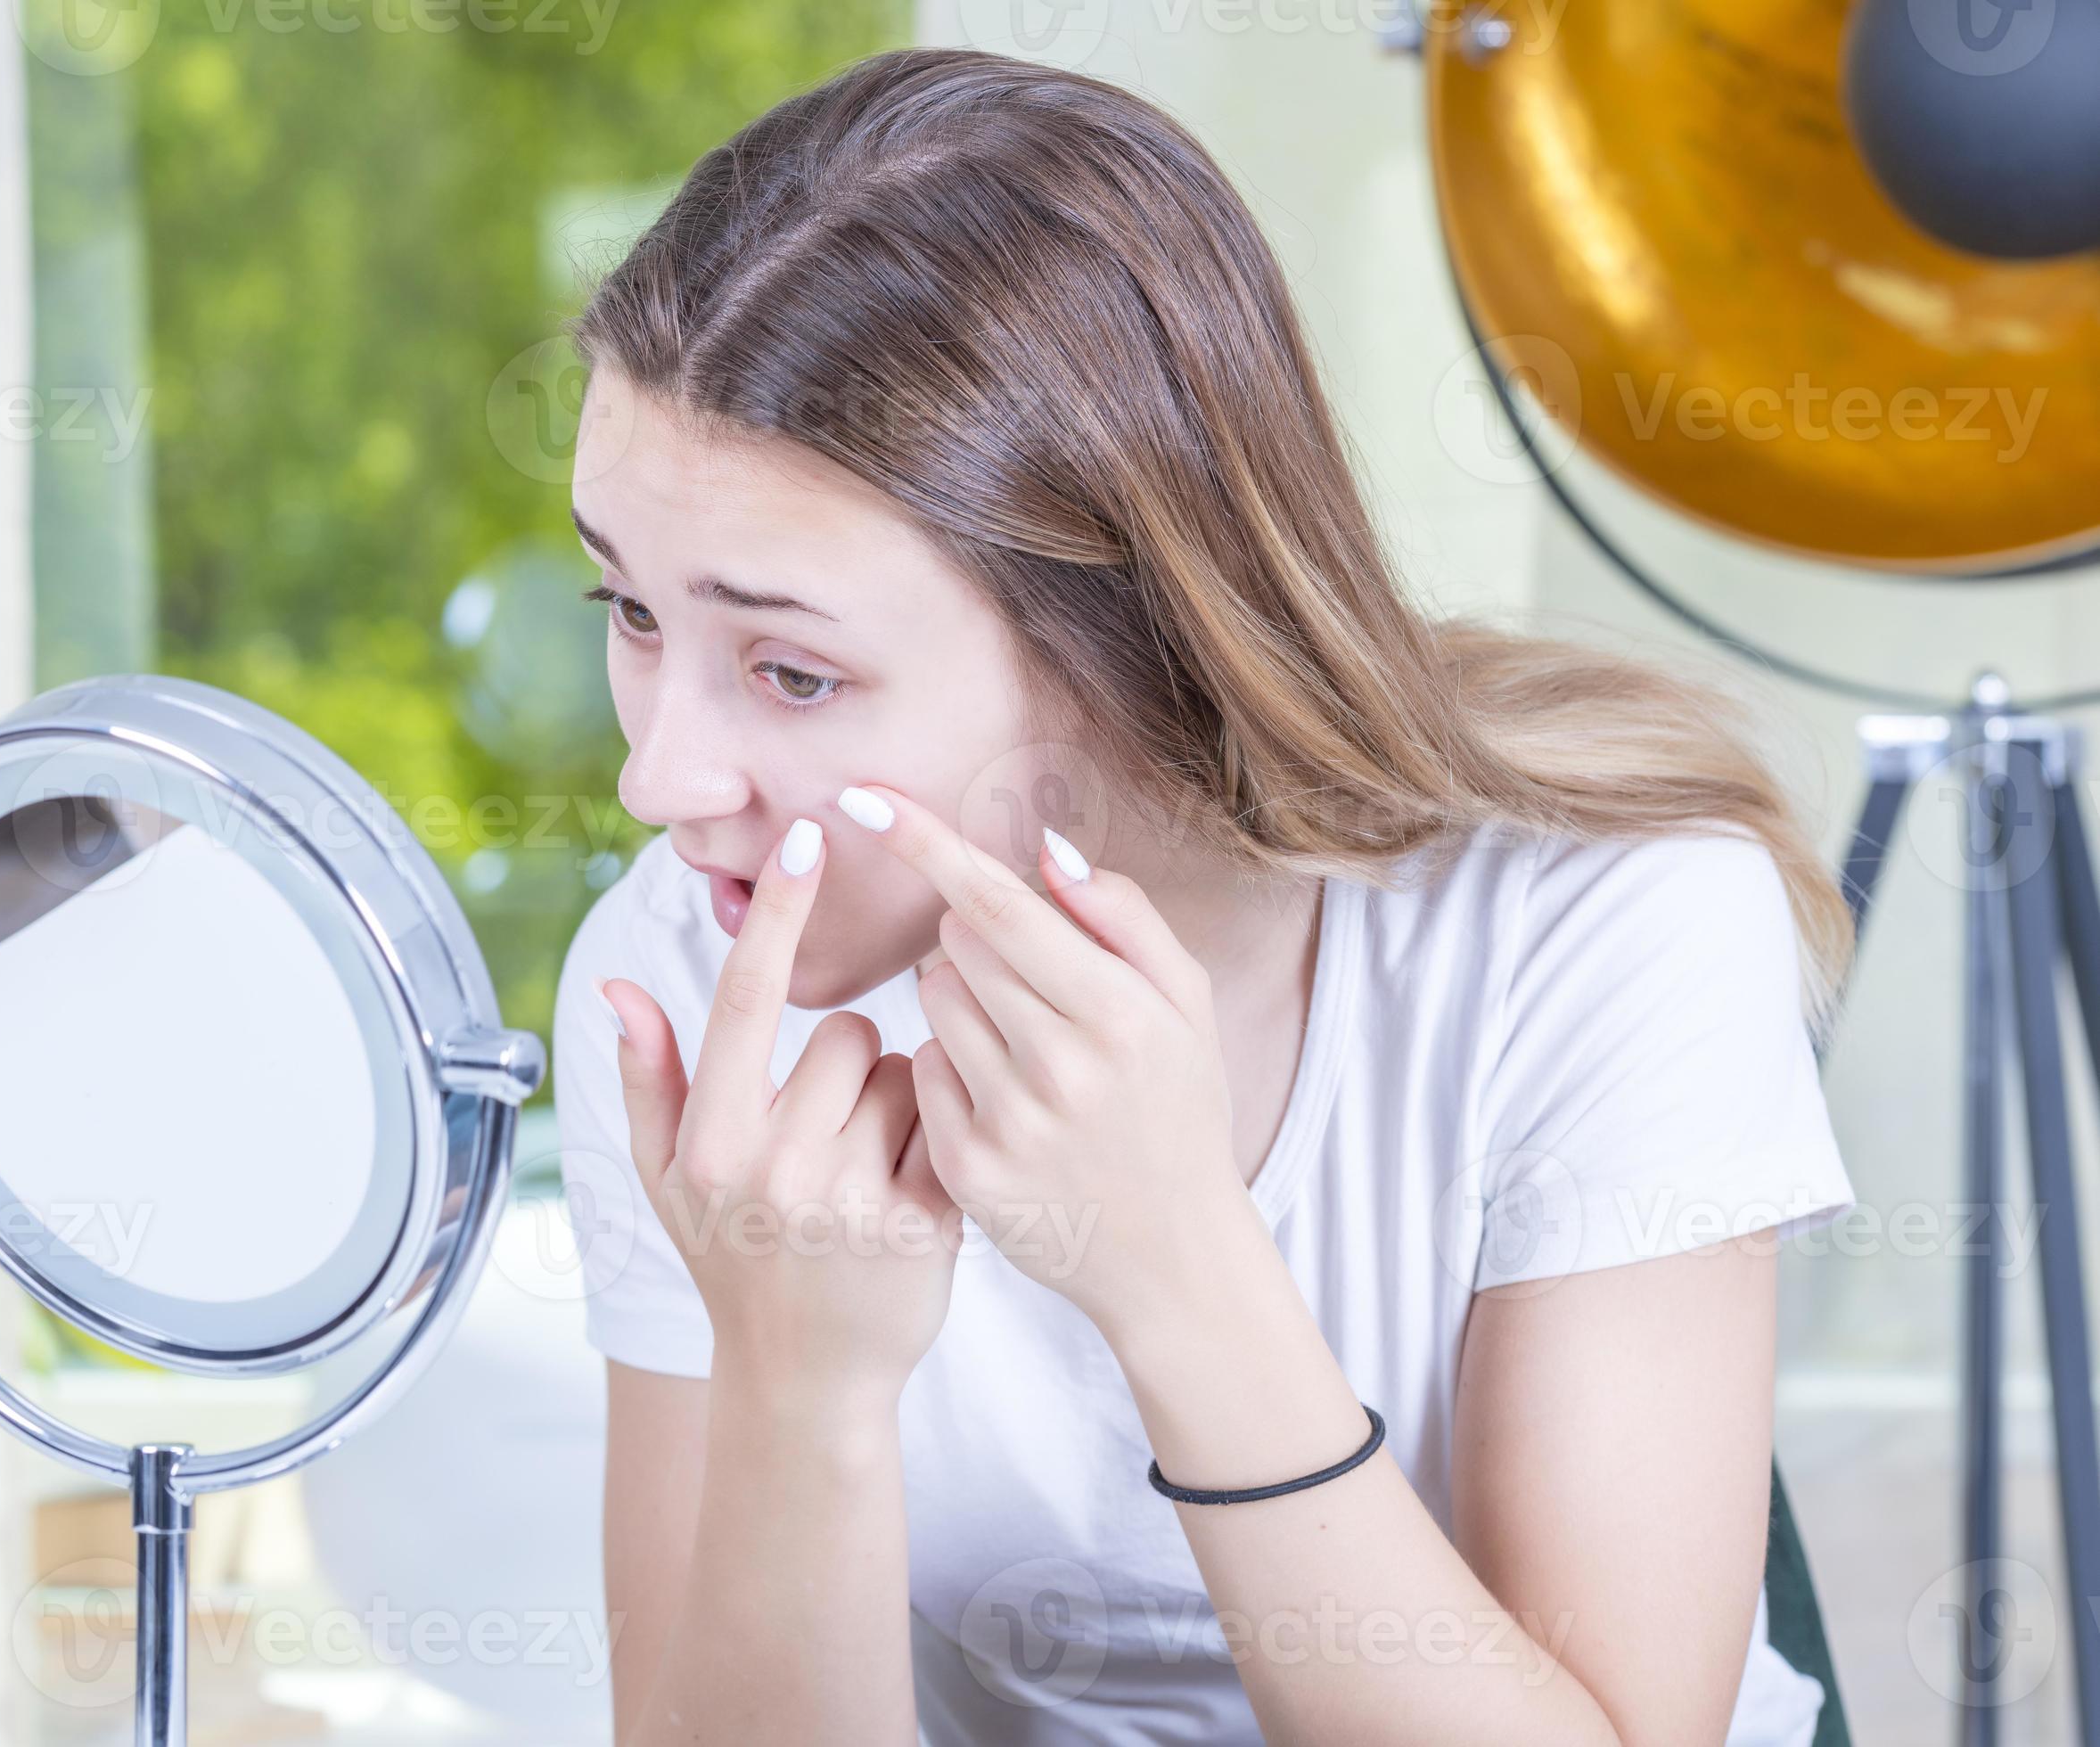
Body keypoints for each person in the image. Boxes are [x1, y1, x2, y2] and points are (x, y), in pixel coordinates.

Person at [550, 45, 1855, 1746]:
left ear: (1126, 641)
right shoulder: (687, 969)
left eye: (792, 673)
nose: (661, 784)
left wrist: (1171, 1265)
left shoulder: (1609, 921)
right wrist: (805, 1396)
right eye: (633, 613)